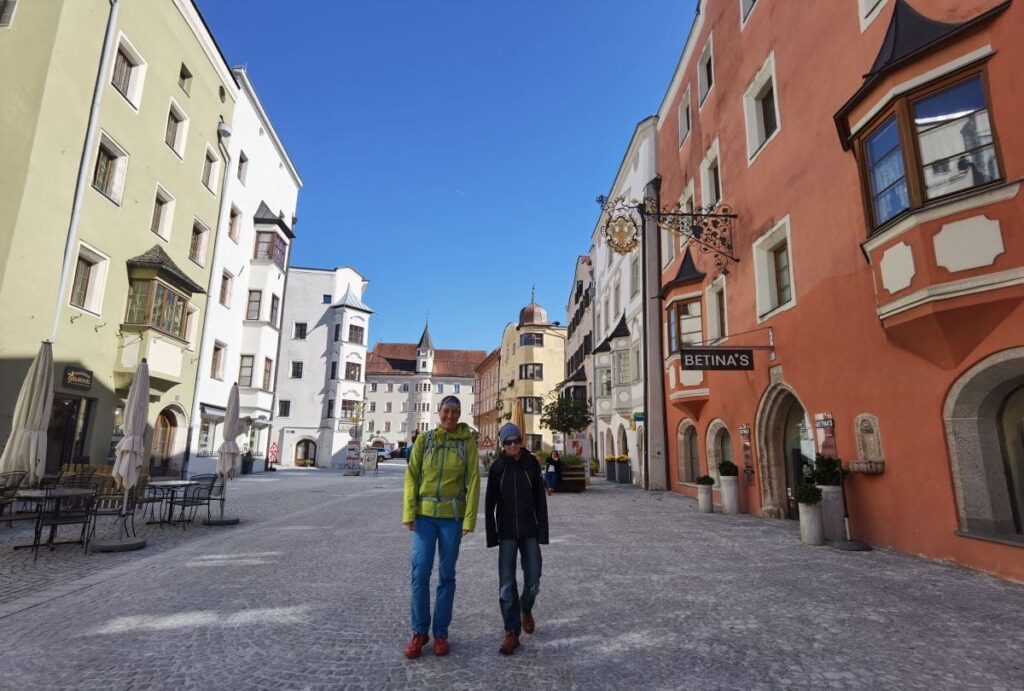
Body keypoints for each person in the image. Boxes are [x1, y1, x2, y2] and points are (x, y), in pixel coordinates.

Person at [402, 396, 479, 659]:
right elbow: (412, 476)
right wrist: (408, 512)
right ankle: (419, 631)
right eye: (446, 411)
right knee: (420, 572)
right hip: (424, 516)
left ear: (459, 415)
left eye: (455, 412)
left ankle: (441, 632)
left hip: (452, 517)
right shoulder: (425, 440)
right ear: (439, 412)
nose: (450, 416)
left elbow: (473, 480)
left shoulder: (467, 441)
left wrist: (469, 519)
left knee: (447, 575)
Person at [485, 422, 549, 655]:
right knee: (506, 583)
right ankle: (511, 632)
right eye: (508, 442)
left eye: (516, 440)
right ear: (503, 445)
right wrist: (492, 535)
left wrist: (543, 531)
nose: (513, 445)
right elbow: (489, 503)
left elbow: (540, 500)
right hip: (507, 532)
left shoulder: (531, 464)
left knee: (534, 577)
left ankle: (526, 607)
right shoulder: (497, 468)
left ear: (521, 441)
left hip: (530, 529)